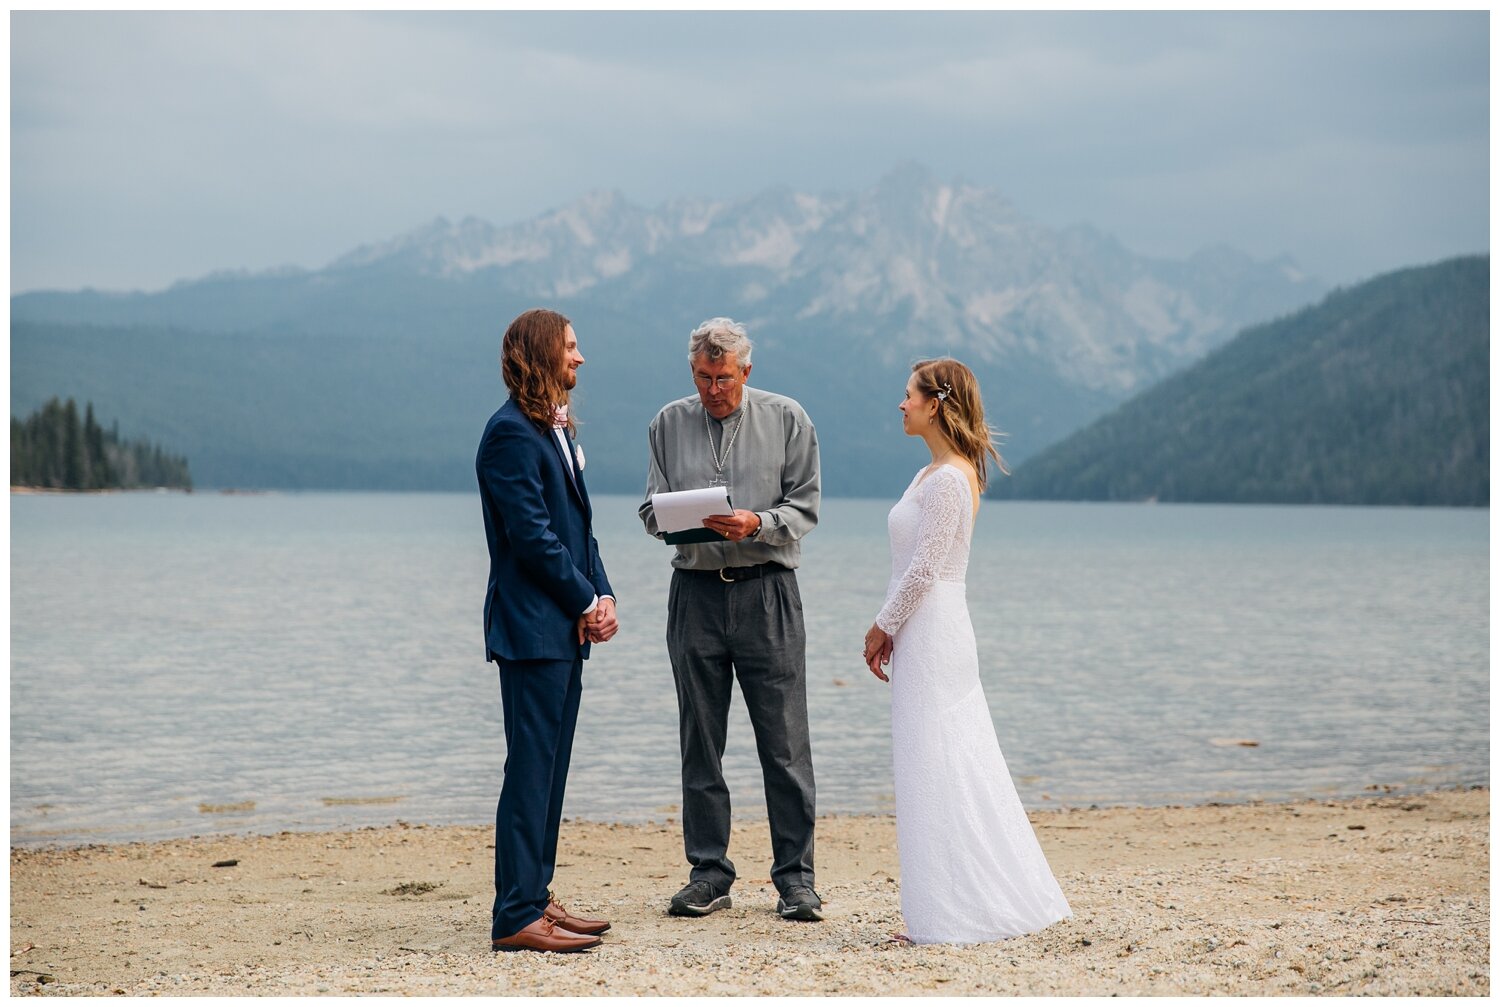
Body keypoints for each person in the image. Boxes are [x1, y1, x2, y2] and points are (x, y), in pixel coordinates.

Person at [862, 357, 1071, 945]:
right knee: (928, 761)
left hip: (936, 631)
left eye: (908, 395)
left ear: (935, 404)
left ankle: (950, 916)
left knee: (941, 761)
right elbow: (907, 564)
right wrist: (890, 626)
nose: (900, 404)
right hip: (919, 629)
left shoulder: (953, 478)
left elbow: (927, 568)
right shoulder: (927, 475)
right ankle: (940, 906)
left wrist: (883, 626)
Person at [638, 317, 824, 922]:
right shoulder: (668, 422)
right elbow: (649, 508)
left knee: (785, 744)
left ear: (747, 371)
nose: (712, 390)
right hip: (694, 594)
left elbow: (805, 505)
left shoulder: (788, 418)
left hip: (767, 590)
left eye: (723, 378)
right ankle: (709, 874)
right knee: (700, 741)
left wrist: (757, 523)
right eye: (702, 378)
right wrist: (670, 518)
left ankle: (796, 880)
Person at [477, 308, 620, 953]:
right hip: (533, 628)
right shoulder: (509, 435)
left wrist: (604, 591)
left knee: (552, 768)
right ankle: (514, 915)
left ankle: (535, 894)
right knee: (530, 769)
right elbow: (532, 539)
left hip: (563, 627)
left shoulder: (551, 428)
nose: (580, 358)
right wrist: (584, 600)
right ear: (541, 354)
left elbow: (578, 528)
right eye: (569, 346)